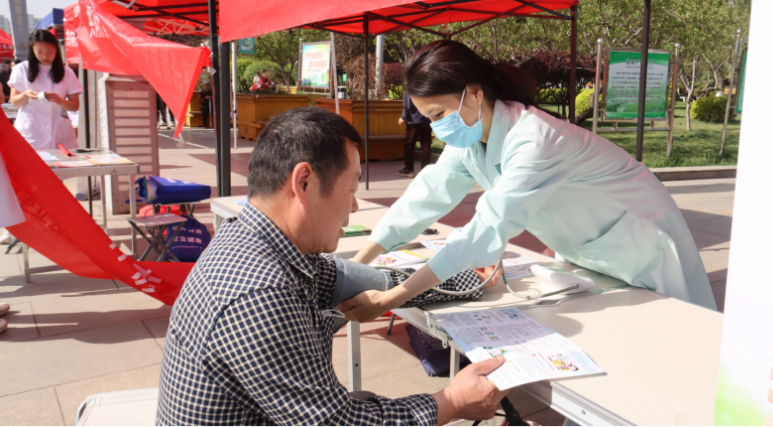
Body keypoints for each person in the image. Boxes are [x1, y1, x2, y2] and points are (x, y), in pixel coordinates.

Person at [156, 106, 507, 425]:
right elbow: (341, 423)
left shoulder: (258, 242)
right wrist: (453, 401)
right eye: (351, 190)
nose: (354, 207)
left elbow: (372, 281)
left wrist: (468, 278)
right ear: (304, 183)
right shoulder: (261, 293)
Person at [344, 40, 716, 323]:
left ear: (474, 93)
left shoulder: (536, 138)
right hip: (593, 249)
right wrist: (357, 266)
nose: (437, 127)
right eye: (429, 119)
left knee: (672, 335)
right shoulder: (471, 139)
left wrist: (393, 297)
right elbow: (425, 198)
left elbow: (488, 227)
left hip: (644, 248)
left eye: (439, 114)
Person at [8, 30, 82, 150]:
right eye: (39, 52)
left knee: (61, 160)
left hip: (58, 130)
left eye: (49, 52)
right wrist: (25, 95)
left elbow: (75, 106)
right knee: (30, 160)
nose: (45, 56)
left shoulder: (67, 72)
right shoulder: (21, 69)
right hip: (31, 130)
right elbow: (15, 102)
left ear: (56, 50)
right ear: (32, 50)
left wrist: (60, 100)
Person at [398, 91, 433, 178]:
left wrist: (403, 117)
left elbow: (407, 105)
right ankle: (425, 170)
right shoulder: (427, 87)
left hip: (413, 120)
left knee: (409, 145)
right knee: (426, 146)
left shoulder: (410, 88)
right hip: (427, 120)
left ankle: (409, 169)